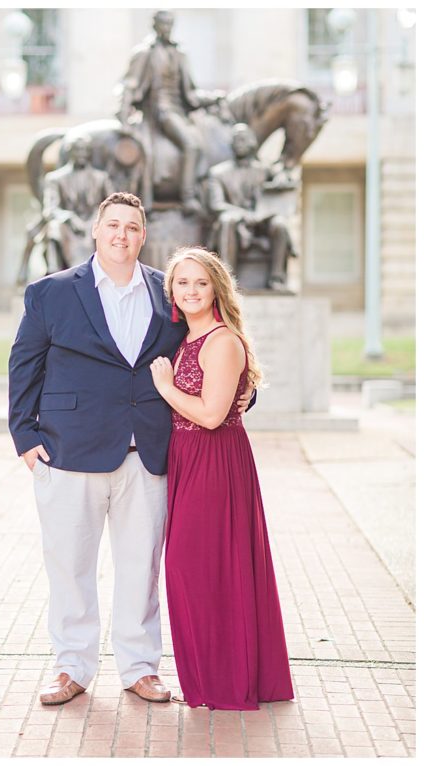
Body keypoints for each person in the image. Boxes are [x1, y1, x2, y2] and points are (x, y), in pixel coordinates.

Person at [10, 191, 189, 706]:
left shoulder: (167, 293)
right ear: (96, 230)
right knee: (69, 565)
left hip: (147, 453)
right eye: (113, 225)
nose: (121, 235)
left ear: (144, 235)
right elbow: (25, 364)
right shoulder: (51, 293)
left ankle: (139, 668)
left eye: (132, 227)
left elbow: (199, 349)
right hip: (68, 450)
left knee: (141, 566)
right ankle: (72, 668)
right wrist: (25, 436)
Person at [149, 246, 292, 710]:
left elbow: (211, 416)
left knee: (197, 569)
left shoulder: (222, 341)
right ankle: (212, 680)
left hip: (215, 461)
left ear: (216, 289)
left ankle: (227, 682)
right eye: (181, 282)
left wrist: (167, 388)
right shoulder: (186, 339)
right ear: (171, 290)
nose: (190, 290)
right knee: (199, 571)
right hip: (187, 460)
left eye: (200, 282)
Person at [117, 10, 225, 214]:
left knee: (205, 142)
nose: (167, 28)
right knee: (191, 144)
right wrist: (123, 116)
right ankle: (187, 196)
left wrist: (211, 98)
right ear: (155, 26)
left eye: (170, 24)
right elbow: (129, 85)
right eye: (163, 24)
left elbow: (190, 92)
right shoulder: (144, 53)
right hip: (160, 112)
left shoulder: (180, 54)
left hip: (179, 111)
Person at [207, 123, 295, 290]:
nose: (239, 143)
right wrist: (245, 215)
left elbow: (283, 176)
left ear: (252, 143)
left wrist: (282, 178)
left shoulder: (264, 169)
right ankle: (228, 280)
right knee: (227, 220)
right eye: (236, 140)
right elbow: (216, 204)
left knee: (280, 224)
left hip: (262, 223)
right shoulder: (218, 173)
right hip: (235, 222)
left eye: (244, 139)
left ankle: (277, 279)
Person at [39, 135, 115, 271]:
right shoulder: (55, 179)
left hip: (94, 224)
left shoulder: (101, 178)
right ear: (70, 152)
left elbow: (113, 206)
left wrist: (96, 219)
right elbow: (50, 209)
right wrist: (69, 218)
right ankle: (53, 274)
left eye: (85, 150)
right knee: (53, 228)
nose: (82, 154)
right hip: (69, 227)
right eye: (78, 150)